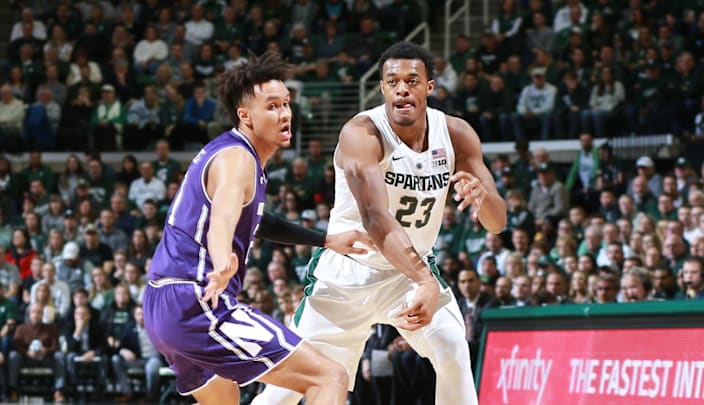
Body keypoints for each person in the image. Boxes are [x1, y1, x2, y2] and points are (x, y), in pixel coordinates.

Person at [253, 42, 505, 405]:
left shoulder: (457, 134)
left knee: (453, 350)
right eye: (393, 81)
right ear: (383, 88)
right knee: (284, 393)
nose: (402, 88)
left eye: (412, 80)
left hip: (406, 274)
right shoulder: (362, 133)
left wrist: (485, 198)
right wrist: (425, 280)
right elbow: (374, 217)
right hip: (348, 273)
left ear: (429, 87)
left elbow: (497, 224)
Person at [142, 51, 371, 405]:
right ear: (245, 116)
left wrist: (326, 240)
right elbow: (223, 217)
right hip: (198, 301)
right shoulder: (238, 159)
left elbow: (255, 221)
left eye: (286, 104)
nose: (284, 114)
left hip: (162, 305)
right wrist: (221, 262)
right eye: (273, 106)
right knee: (329, 377)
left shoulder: (227, 153)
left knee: (225, 397)